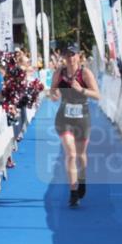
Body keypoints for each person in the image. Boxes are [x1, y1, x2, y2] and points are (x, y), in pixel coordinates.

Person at [50, 45, 100, 207]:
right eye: (67, 55)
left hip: (82, 118)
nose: (70, 58)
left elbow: (97, 95)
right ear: (64, 57)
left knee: (80, 155)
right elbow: (52, 92)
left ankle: (82, 180)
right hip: (64, 117)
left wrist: (81, 90)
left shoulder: (85, 73)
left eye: (73, 55)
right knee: (71, 154)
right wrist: (54, 95)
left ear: (79, 56)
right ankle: (73, 192)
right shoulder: (60, 72)